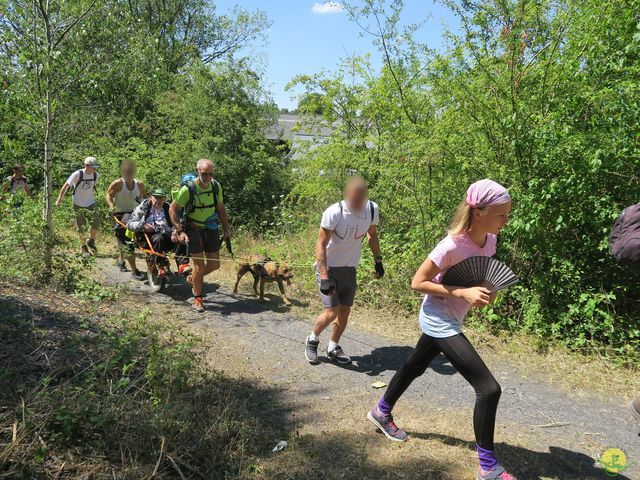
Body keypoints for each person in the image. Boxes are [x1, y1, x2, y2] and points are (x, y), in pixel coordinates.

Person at [367, 179, 516, 480]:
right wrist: (462, 293)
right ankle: (487, 467)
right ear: (479, 212)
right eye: (501, 214)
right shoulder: (450, 245)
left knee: (415, 365)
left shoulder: (489, 240)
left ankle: (380, 411)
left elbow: (482, 277)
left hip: (453, 317)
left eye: (507, 214)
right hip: (438, 319)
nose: (506, 220)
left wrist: (486, 290)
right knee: (488, 389)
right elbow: (417, 282)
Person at [304, 176, 384, 365]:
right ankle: (312, 339)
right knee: (331, 311)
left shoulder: (372, 209)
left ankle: (333, 346)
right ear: (347, 195)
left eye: (361, 199)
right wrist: (323, 275)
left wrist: (378, 260)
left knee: (345, 311)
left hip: (349, 269)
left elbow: (372, 235)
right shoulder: (335, 212)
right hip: (329, 269)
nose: (358, 203)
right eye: (354, 199)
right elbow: (321, 244)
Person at [169, 159, 230, 313]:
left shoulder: (216, 186)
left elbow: (221, 208)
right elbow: (172, 209)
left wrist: (227, 229)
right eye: (204, 174)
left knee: (215, 264)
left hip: (211, 227)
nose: (207, 177)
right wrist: (179, 230)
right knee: (199, 266)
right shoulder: (188, 189)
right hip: (193, 228)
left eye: (210, 174)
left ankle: (193, 278)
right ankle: (198, 298)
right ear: (197, 171)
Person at [127, 188, 188, 277]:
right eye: (156, 197)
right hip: (147, 236)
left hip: (167, 234)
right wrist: (142, 225)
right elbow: (130, 224)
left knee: (182, 238)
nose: (158, 200)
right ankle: (161, 265)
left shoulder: (168, 207)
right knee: (158, 239)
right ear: (151, 197)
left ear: (165, 199)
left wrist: (175, 231)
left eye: (161, 198)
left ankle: (182, 265)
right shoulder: (143, 207)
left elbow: (178, 221)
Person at [105, 159, 146, 278]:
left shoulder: (139, 184)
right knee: (127, 242)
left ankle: (121, 261)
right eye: (126, 171)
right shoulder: (118, 183)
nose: (128, 173)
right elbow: (108, 195)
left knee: (129, 241)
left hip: (135, 215)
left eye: (130, 171)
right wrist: (111, 206)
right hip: (120, 214)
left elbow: (144, 197)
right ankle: (134, 271)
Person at [55, 156, 101, 255]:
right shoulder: (77, 174)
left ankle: (91, 241)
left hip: (91, 202)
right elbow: (66, 186)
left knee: (96, 222)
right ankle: (83, 247)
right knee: (81, 227)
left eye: (95, 167)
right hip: (78, 203)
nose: (94, 169)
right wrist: (59, 199)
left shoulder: (96, 175)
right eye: (92, 167)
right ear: (86, 165)